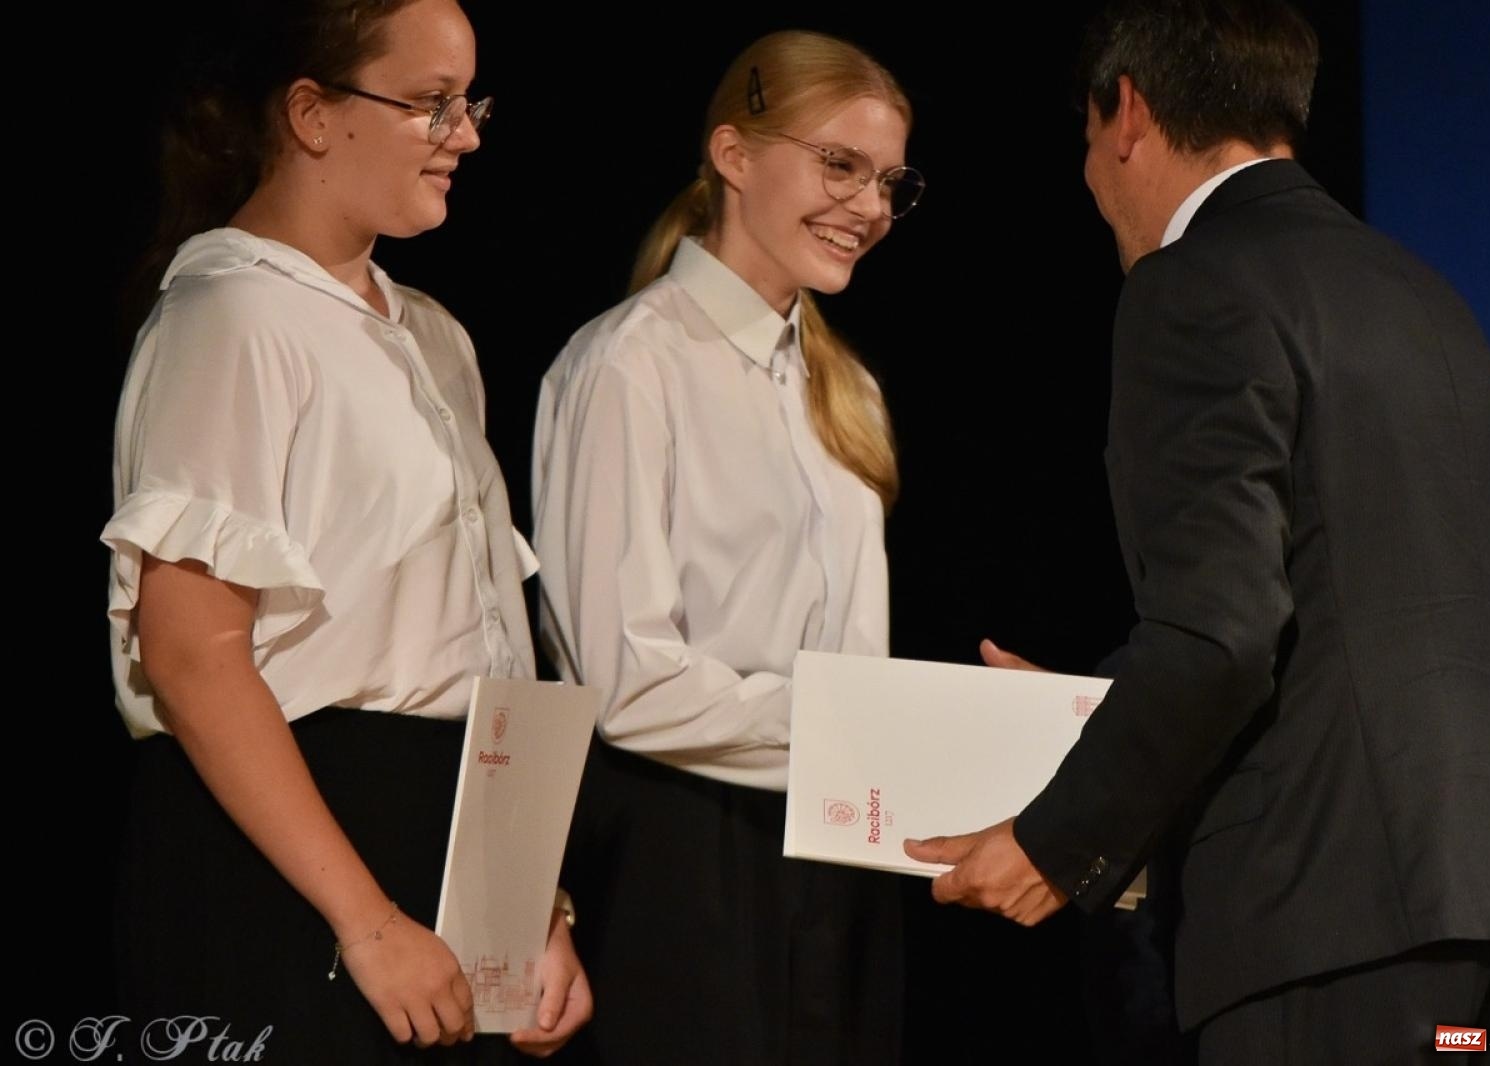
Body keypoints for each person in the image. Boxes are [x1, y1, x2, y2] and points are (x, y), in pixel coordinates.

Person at [906, 1, 1490, 1061]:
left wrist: (1057, 842)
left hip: (1331, 922)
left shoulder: (1190, 286)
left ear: (1126, 111)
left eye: (1086, 142)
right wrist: (1111, 710)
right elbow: (1341, 616)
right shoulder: (1420, 294)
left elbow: (1221, 634)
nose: (1092, 180)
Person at [103, 2, 590, 1060]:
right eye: (431, 104)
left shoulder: (434, 336)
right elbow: (191, 654)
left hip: (435, 841)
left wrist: (531, 910)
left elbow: (481, 647)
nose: (465, 135)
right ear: (313, 115)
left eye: (471, 104)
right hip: (299, 864)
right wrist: (365, 920)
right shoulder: (230, 315)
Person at [532, 29, 924, 1065]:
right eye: (838, 164)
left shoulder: (845, 389)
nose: (870, 206)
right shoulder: (627, 367)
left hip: (837, 852)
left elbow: (855, 650)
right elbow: (626, 684)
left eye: (888, 181)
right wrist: (862, 728)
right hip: (682, 849)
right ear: (734, 155)